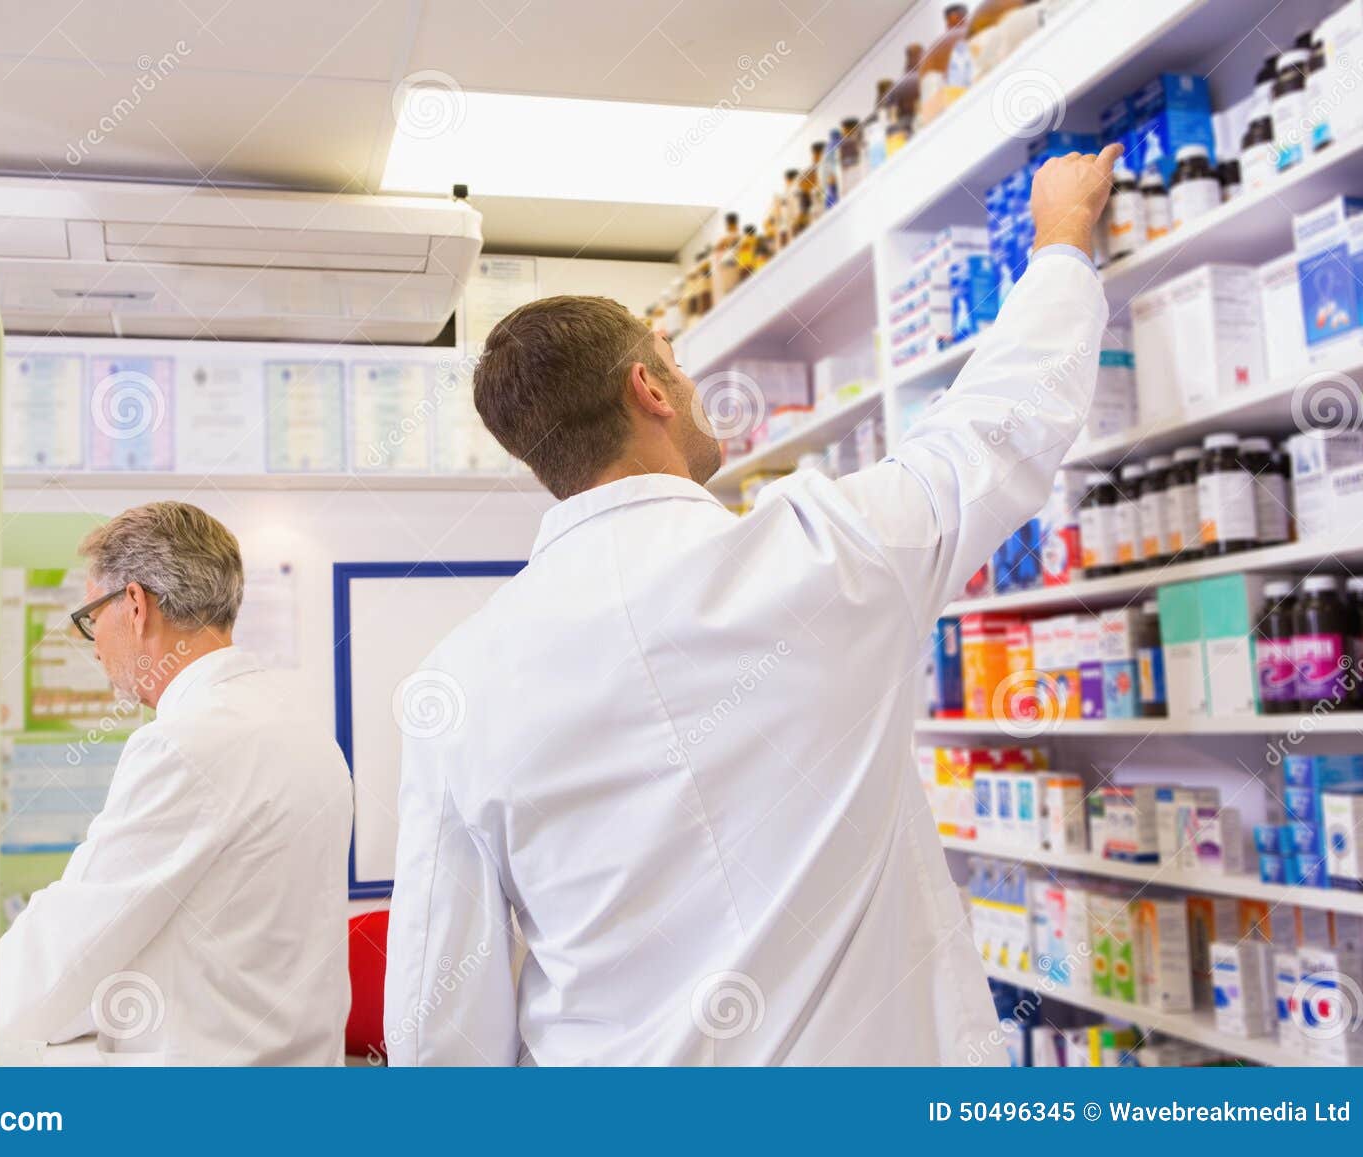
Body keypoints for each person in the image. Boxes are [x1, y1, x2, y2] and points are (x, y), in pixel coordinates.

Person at [384, 147, 1120, 1065]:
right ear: (648, 389)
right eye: (673, 363)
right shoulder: (824, 549)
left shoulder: (457, 682)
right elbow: (998, 429)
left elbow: (434, 1012)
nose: (688, 384)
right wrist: (1059, 238)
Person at [0, 501, 352, 1065]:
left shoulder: (186, 743)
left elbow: (71, 944)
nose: (93, 645)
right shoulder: (301, 726)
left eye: (93, 616)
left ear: (135, 605)